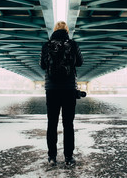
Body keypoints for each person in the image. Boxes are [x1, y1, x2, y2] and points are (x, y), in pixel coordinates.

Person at [40, 21, 83, 166]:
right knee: (68, 124)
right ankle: (68, 157)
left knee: (52, 123)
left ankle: (52, 157)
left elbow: (42, 65)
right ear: (66, 31)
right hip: (69, 89)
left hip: (51, 89)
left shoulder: (46, 45)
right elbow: (80, 63)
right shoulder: (73, 44)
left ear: (54, 30)